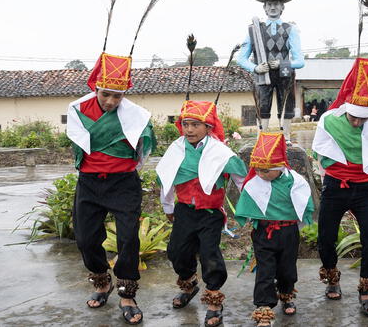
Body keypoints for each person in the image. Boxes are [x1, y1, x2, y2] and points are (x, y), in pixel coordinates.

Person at [66, 53, 156, 325]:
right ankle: (101, 280)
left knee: (128, 238)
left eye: (118, 96)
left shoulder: (137, 116)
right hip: (90, 182)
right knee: (85, 238)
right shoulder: (78, 109)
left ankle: (127, 294)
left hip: (123, 183)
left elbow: (143, 149)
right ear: (95, 87)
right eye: (106, 94)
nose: (111, 102)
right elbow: (78, 145)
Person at [311, 57, 368, 318]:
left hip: (364, 191)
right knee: (326, 239)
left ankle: (367, 291)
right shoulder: (329, 120)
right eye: (353, 117)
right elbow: (320, 153)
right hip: (335, 188)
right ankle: (331, 278)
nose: (356, 123)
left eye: (363, 119)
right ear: (346, 109)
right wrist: (325, 178)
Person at [155, 100, 247, 327]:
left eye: (196, 125)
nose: (189, 130)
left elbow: (241, 179)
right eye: (185, 124)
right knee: (176, 251)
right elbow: (166, 180)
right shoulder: (176, 149)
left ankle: (214, 300)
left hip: (210, 213)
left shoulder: (220, 152)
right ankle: (189, 284)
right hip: (184, 210)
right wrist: (168, 207)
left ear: (208, 127)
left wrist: (251, 208)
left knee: (209, 255)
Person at [234, 132, 314, 327]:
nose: (260, 174)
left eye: (266, 170)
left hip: (288, 233)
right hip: (264, 233)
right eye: (258, 169)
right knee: (265, 271)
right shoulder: (255, 183)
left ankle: (286, 294)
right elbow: (248, 200)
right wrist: (246, 220)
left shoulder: (295, 182)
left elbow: (305, 203)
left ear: (279, 167)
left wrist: (306, 216)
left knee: (287, 269)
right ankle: (264, 308)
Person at [237, 0, 304, 141]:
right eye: (269, 4)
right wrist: (256, 67)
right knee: (263, 105)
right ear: (264, 8)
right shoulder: (254, 30)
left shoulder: (291, 29)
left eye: (276, 3)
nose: (273, 7)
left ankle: (286, 138)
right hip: (263, 74)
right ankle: (262, 138)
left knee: (286, 104)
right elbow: (241, 58)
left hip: (285, 74)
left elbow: (300, 61)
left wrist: (282, 64)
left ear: (282, 7)